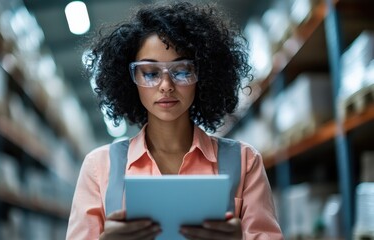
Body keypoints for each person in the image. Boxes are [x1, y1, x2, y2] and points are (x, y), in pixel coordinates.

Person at [66, 1, 283, 239]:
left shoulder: (245, 162)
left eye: (181, 71)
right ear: (131, 79)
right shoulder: (99, 167)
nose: (166, 86)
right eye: (150, 73)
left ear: (203, 74)